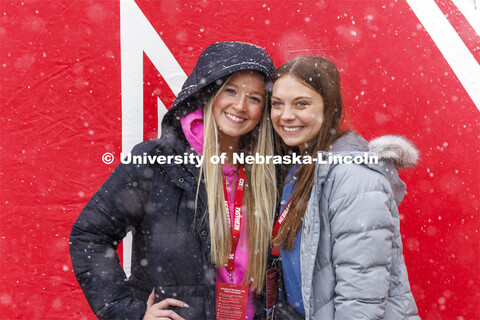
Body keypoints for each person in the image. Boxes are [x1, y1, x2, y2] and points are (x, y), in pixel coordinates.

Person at [69, 41, 277, 320]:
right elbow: (90, 235)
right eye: (230, 90)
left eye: (254, 98)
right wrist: (127, 312)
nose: (240, 106)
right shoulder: (156, 161)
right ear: (207, 92)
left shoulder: (268, 169)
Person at [269, 56, 420, 319]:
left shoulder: (353, 177)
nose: (286, 115)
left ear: (329, 108)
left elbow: (361, 296)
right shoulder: (300, 170)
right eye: (277, 104)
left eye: (301, 104)